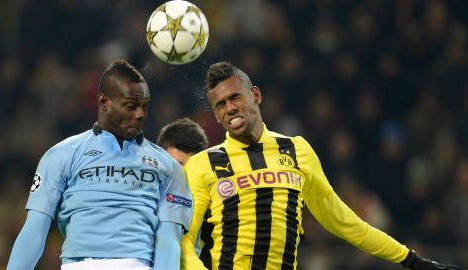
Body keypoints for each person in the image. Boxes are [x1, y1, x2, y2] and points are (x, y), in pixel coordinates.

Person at [180, 61, 464, 270]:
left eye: (235, 97)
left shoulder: (297, 150)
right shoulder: (204, 164)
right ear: (216, 116)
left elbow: (344, 221)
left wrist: (410, 259)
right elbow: (184, 241)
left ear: (255, 95)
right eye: (219, 105)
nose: (229, 108)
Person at [7, 59, 192, 270]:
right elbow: (34, 229)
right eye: (131, 106)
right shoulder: (61, 155)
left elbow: (168, 241)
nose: (141, 114)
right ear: (104, 102)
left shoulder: (168, 167)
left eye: (144, 106)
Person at [156, 117, 214, 269]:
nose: (182, 174)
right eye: (176, 165)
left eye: (189, 168)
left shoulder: (213, 211)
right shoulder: (141, 200)